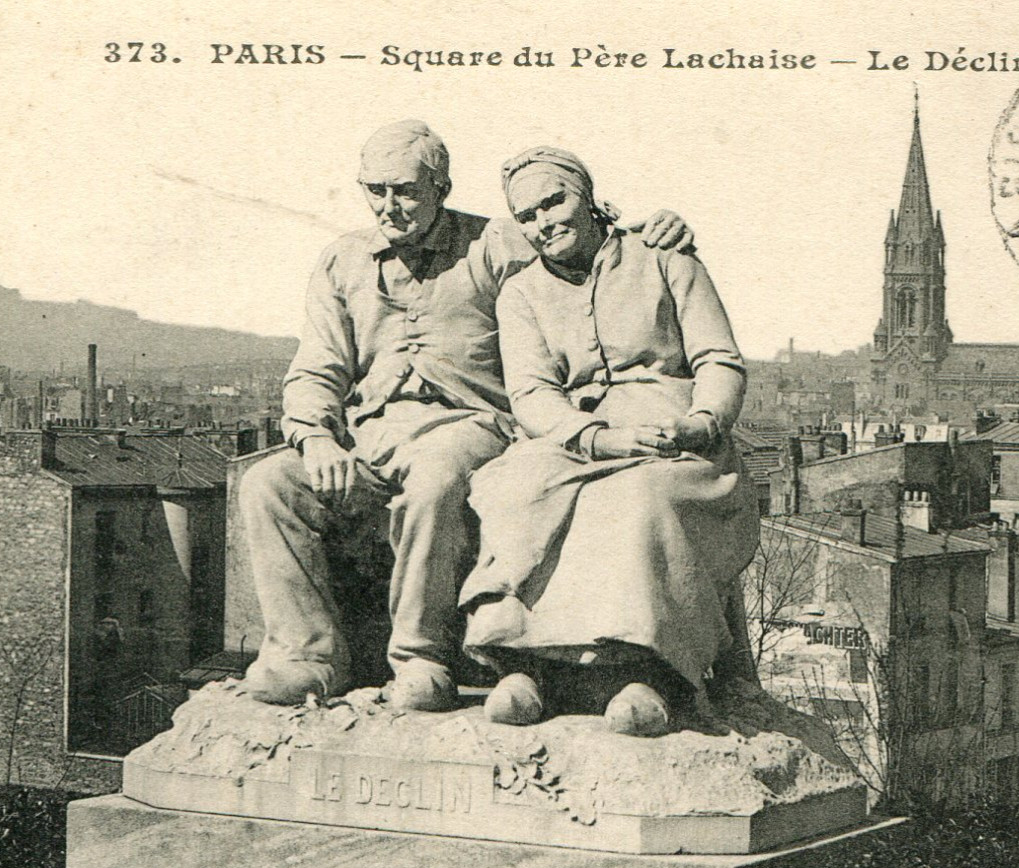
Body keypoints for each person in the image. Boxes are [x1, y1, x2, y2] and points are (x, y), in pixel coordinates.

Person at [237, 121, 693, 711]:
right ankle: (308, 654)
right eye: (374, 190)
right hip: (370, 436)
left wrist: (655, 232)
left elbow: (580, 248)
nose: (389, 206)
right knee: (267, 484)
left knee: (436, 479)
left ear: (441, 186)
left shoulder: (497, 244)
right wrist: (315, 438)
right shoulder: (341, 261)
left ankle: (420, 657)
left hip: (476, 427)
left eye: (405, 190)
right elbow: (315, 369)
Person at [459, 147, 759, 737]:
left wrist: (702, 422)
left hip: (672, 437)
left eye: (555, 201)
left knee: (639, 498)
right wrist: (595, 438)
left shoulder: (666, 259)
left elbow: (719, 360)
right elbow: (533, 395)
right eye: (527, 216)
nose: (544, 221)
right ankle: (527, 664)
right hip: (575, 436)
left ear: (588, 198)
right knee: (512, 489)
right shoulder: (519, 293)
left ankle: (649, 673)